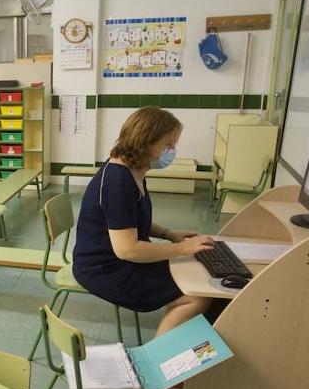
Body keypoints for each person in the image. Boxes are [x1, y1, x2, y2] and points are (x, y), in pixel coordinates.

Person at [72, 106, 215, 336]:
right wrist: (182, 248)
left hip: (121, 261)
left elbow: (130, 220)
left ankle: (181, 338)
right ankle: (161, 362)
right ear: (145, 141)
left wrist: (169, 234)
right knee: (196, 294)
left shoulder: (133, 171)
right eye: (168, 145)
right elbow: (127, 249)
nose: (172, 151)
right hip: (105, 270)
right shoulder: (117, 181)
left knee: (195, 273)